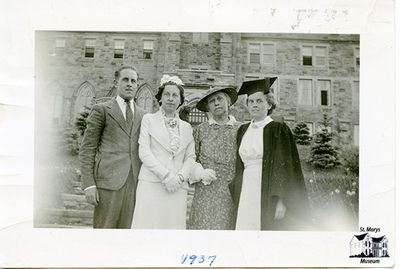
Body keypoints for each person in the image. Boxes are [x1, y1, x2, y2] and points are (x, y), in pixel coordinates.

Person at [131, 75, 215, 229]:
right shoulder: (148, 119)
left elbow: (190, 157)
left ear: (180, 100)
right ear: (160, 98)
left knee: (171, 230)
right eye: (167, 94)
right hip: (152, 183)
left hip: (177, 186)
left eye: (175, 95)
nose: (171, 98)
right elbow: (144, 152)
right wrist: (166, 176)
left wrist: (180, 177)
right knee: (147, 228)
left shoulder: (186, 127)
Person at [230, 78, 311, 231]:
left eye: (259, 101)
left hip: (268, 190)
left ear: (269, 104)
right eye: (251, 101)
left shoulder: (278, 129)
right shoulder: (242, 130)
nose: (254, 105)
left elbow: (286, 168)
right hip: (246, 189)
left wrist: (281, 200)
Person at [79, 66, 146, 228]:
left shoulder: (143, 115)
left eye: (133, 81)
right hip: (108, 184)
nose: (130, 84)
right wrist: (89, 184)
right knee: (104, 233)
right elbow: (87, 149)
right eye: (125, 80)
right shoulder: (102, 109)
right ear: (116, 83)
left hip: (134, 184)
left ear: (137, 85)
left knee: (127, 235)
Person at [188, 87, 241, 230]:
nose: (216, 103)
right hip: (205, 194)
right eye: (212, 101)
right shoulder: (200, 130)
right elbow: (191, 159)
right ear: (208, 107)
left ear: (228, 102)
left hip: (230, 194)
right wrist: (200, 173)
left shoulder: (240, 129)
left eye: (220, 99)